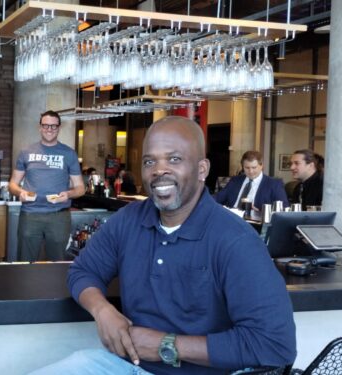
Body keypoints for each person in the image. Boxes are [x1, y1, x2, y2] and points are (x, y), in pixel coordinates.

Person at [32, 116, 296, 374]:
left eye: (174, 159)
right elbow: (83, 271)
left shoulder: (235, 240)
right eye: (150, 161)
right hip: (128, 365)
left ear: (202, 169)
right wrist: (102, 310)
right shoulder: (129, 220)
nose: (159, 170)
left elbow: (274, 345)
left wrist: (167, 345)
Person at [9, 110, 85, 261]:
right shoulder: (26, 152)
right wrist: (20, 193)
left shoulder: (69, 154)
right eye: (46, 126)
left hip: (59, 216)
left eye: (53, 126)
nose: (49, 130)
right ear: (40, 127)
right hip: (30, 215)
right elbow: (12, 184)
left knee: (58, 261)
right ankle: (25, 285)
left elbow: (80, 188)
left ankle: (56, 286)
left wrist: (68, 194)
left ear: (59, 128)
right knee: (25, 261)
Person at [213, 150, 289, 210]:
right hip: (232, 220)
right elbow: (218, 198)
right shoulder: (235, 181)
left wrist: (260, 213)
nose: (251, 171)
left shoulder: (274, 184)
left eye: (254, 167)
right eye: (247, 168)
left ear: (261, 165)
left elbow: (283, 209)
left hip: (256, 225)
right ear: (243, 167)